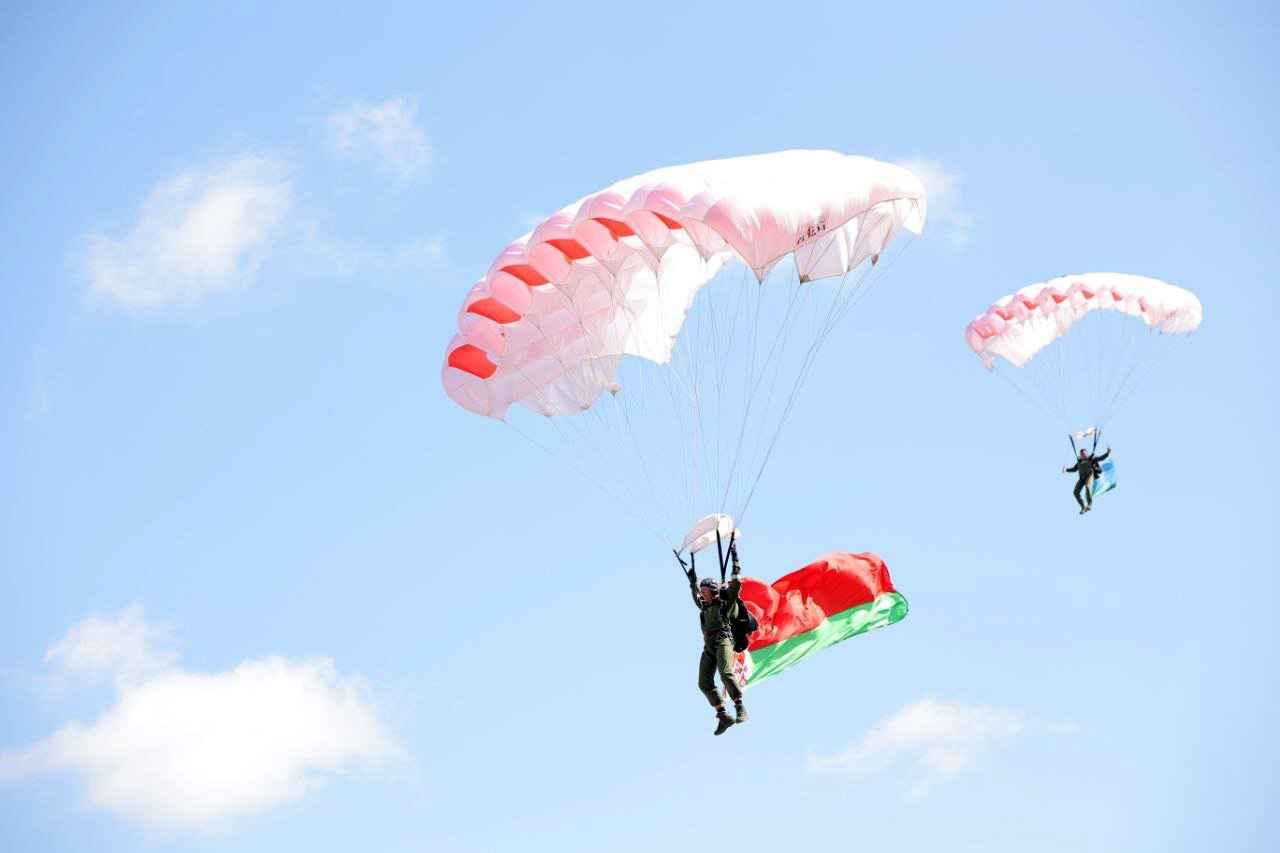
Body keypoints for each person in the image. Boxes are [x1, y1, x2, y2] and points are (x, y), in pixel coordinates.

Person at [680, 541, 748, 735]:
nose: (702, 593)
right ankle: (723, 715)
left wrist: (735, 559)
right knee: (703, 682)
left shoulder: (725, 605)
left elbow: (736, 585)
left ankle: (740, 706)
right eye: (702, 591)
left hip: (723, 641)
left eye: (705, 590)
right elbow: (695, 597)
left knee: (726, 673)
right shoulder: (705, 606)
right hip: (709, 646)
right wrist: (693, 581)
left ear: (713, 591)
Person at [1064, 446, 1112, 514]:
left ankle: (1089, 504)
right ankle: (1083, 507)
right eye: (1082, 454)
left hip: (1089, 476)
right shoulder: (1079, 462)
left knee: (1087, 486)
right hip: (1081, 478)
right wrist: (1066, 470)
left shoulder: (1091, 459)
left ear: (1087, 454)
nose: (1083, 455)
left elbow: (1101, 458)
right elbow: (1074, 469)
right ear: (1080, 455)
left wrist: (1107, 453)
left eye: (1084, 454)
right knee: (1075, 492)